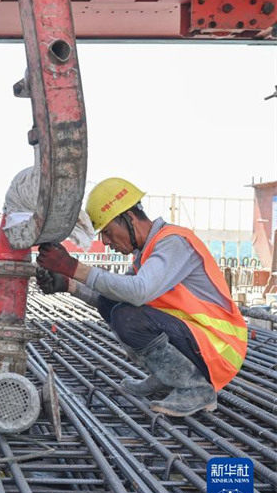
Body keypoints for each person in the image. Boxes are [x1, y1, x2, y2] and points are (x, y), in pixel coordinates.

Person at [35, 177, 247, 417]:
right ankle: (168, 377)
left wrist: (75, 267)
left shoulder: (174, 243)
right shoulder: (147, 253)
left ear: (129, 218)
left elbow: (138, 292)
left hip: (219, 347)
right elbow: (113, 295)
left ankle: (195, 388)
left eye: (107, 232)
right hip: (199, 340)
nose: (105, 242)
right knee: (113, 303)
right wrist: (69, 284)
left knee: (129, 317)